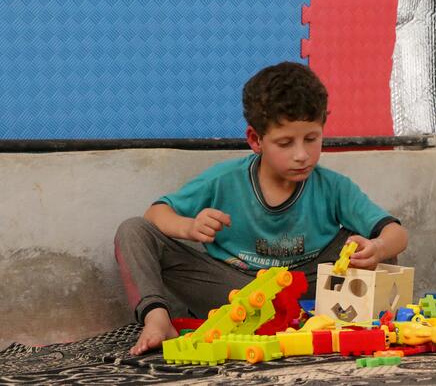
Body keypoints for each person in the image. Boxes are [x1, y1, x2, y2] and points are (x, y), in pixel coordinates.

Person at [114, 61, 409, 355]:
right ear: (256, 140)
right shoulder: (223, 180)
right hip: (236, 293)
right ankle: (158, 320)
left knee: (369, 243)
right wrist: (188, 227)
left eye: (311, 139)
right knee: (133, 231)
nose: (302, 155)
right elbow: (155, 214)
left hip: (310, 290)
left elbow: (396, 233)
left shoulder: (334, 187)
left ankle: (358, 323)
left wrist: (377, 247)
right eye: (285, 143)